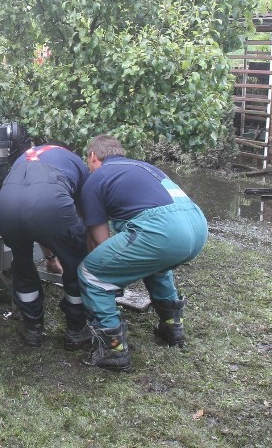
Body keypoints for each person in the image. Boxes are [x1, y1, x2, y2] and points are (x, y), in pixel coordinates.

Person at [78, 135, 208, 371]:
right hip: (197, 226)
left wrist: (110, 276)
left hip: (163, 231)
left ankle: (114, 350)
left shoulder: (98, 177)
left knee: (91, 273)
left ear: (93, 157)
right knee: (157, 266)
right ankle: (172, 328)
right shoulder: (145, 167)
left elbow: (101, 240)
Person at [0, 144, 91, 348]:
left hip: (6, 203)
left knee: (22, 260)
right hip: (50, 200)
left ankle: (32, 329)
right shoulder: (75, 162)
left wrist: (50, 258)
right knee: (76, 262)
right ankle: (76, 330)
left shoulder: (24, 158)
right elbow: (78, 216)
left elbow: (33, 216)